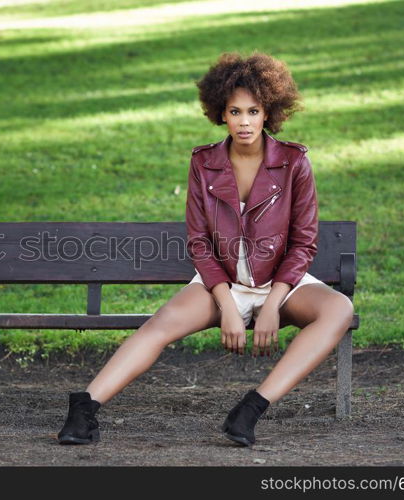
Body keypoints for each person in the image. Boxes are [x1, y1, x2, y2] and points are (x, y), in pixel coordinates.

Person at [57, 52, 355, 446]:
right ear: (221, 113)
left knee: (339, 308)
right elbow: (199, 241)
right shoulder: (204, 162)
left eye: (253, 111)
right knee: (159, 326)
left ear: (269, 113)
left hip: (281, 283)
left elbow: (303, 243)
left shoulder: (293, 161)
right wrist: (228, 305)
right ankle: (84, 409)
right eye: (235, 111)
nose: (244, 122)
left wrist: (271, 303)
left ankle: (250, 409)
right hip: (222, 283)